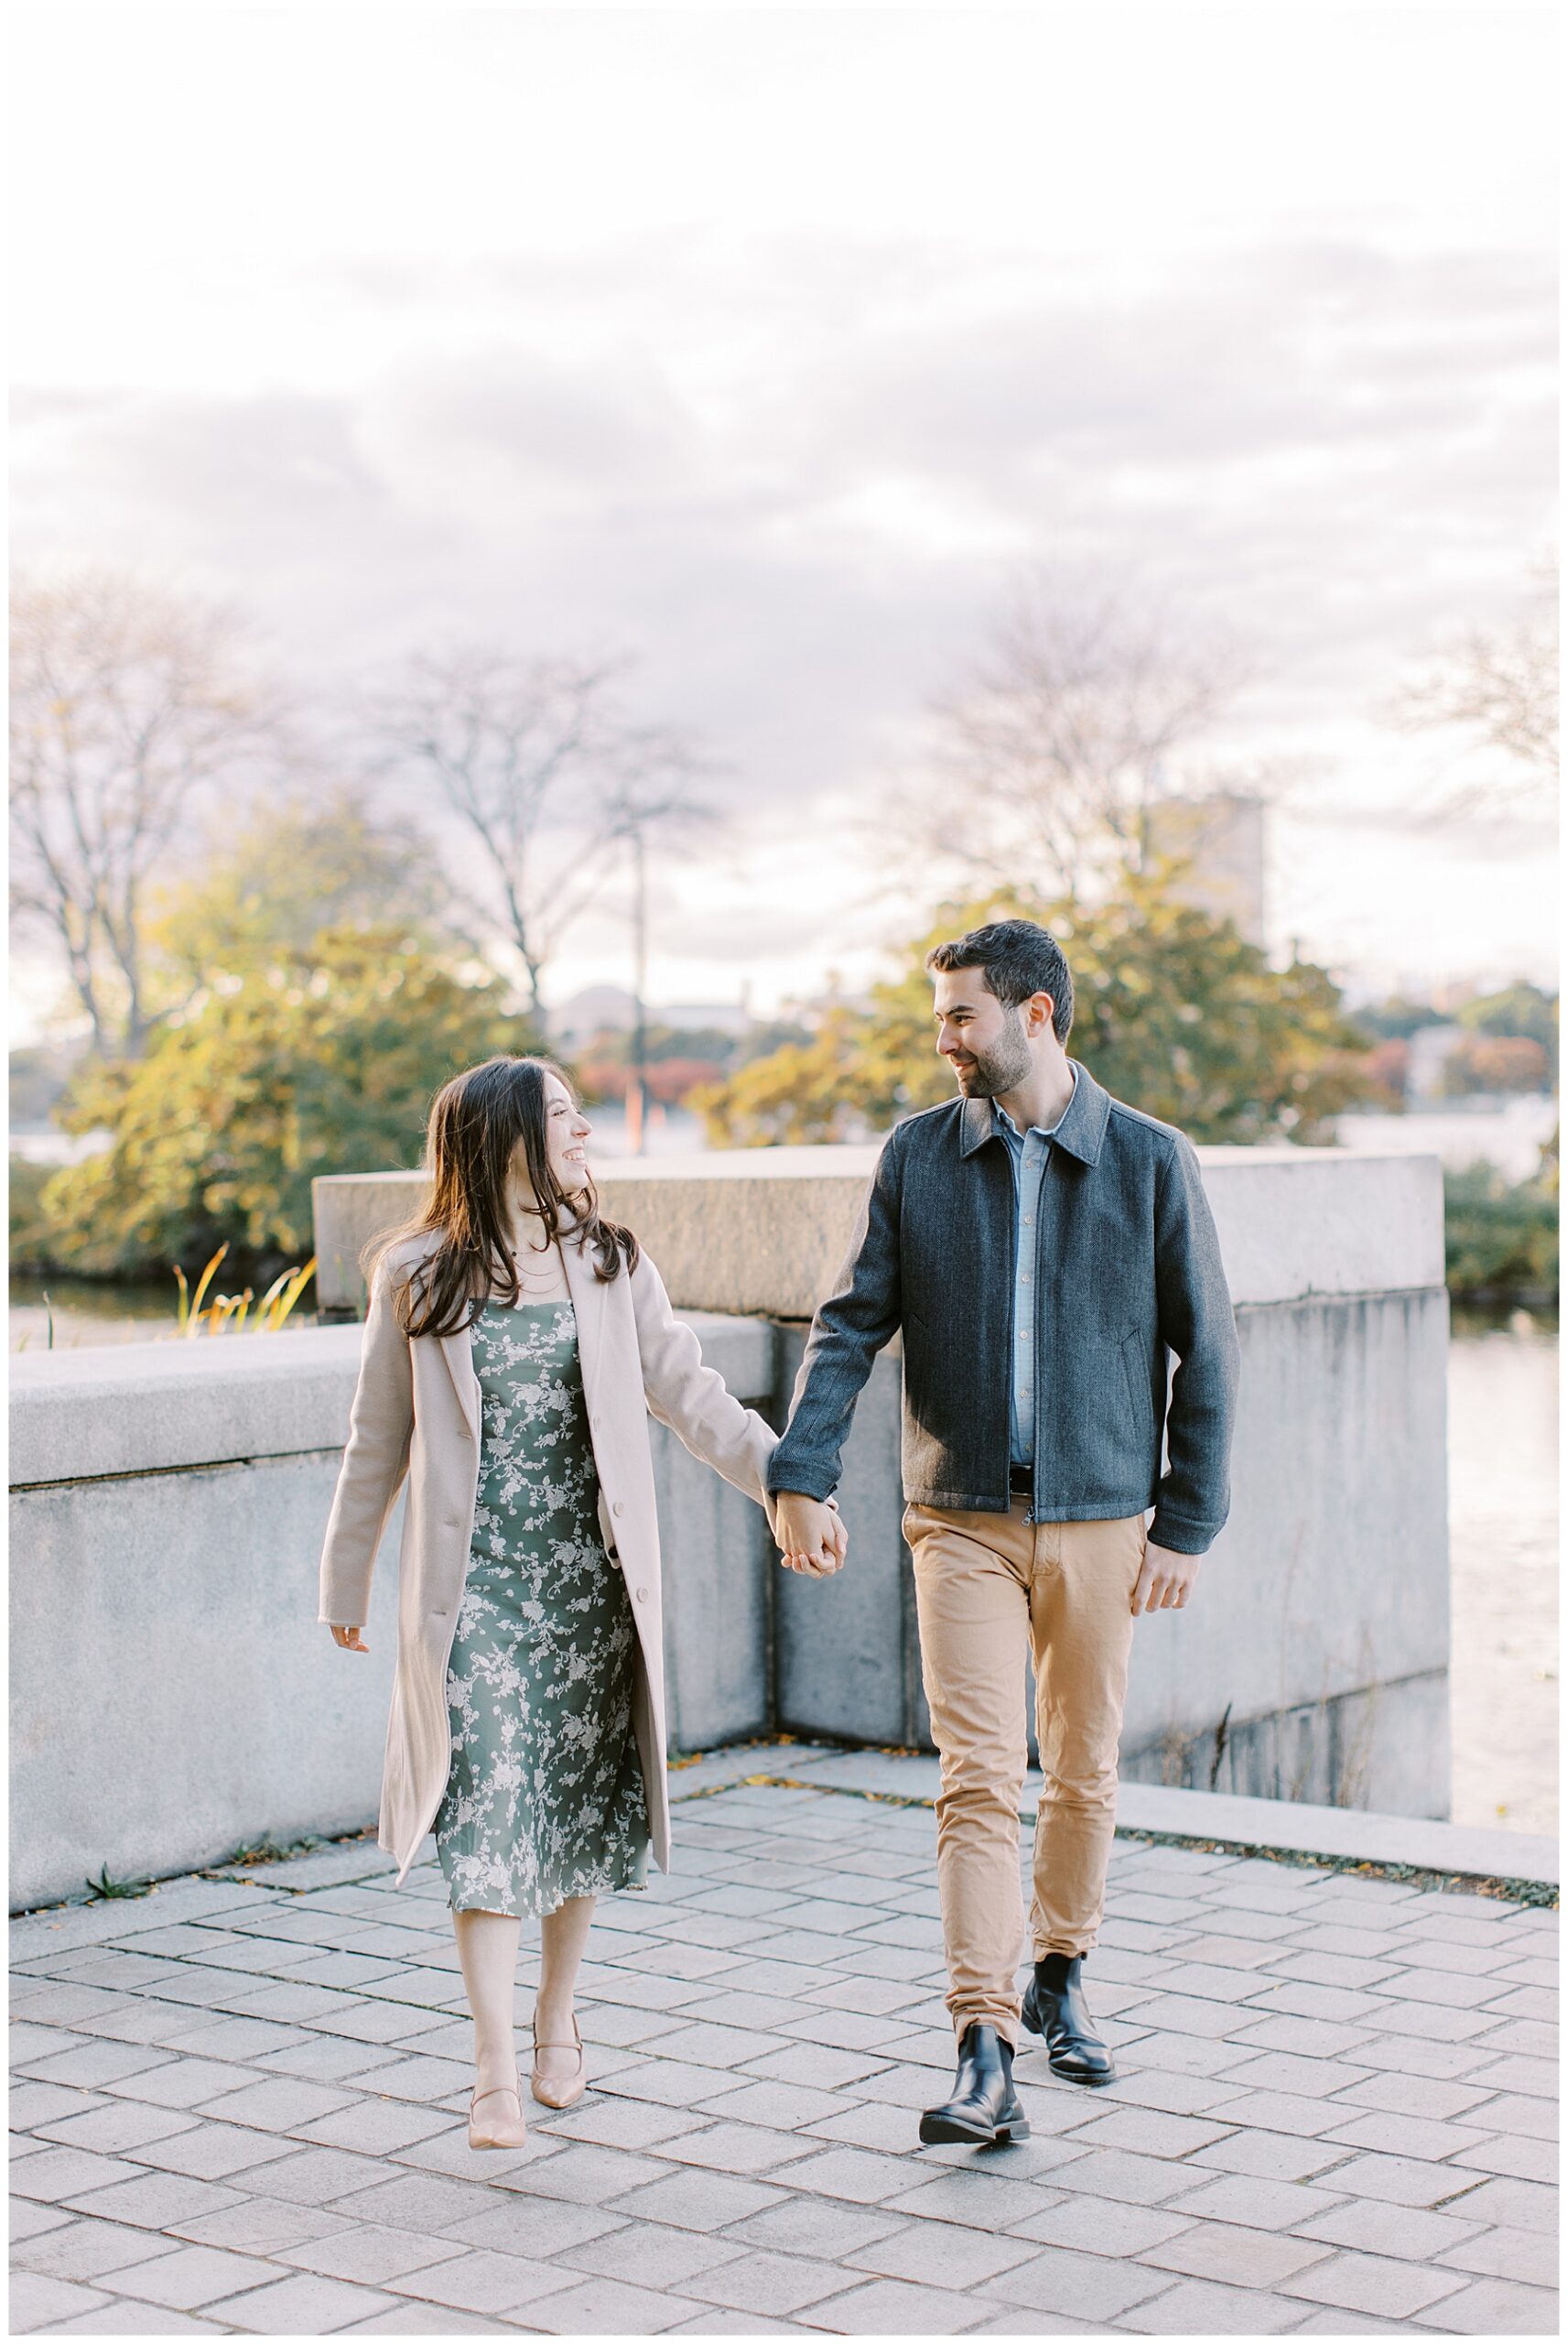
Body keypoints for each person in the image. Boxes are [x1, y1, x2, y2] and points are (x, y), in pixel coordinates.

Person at [770, 918, 1240, 2148]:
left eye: (961, 1016)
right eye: (939, 1018)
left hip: (1102, 1520)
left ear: (1035, 1015)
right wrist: (800, 1471)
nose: (945, 1041)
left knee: (1082, 1767)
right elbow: (848, 1323)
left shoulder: (1148, 1159)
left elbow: (1209, 1349)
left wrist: (1185, 1519)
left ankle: (1061, 1972)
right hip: (959, 1518)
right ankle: (984, 2046)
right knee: (977, 1776)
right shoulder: (918, 1156)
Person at [319, 1056, 840, 2150]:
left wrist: (789, 1483)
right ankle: (493, 2070)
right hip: (473, 1602)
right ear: (502, 1137)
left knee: (574, 1804)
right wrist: (345, 1576)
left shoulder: (609, 1262)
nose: (581, 1134)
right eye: (561, 1116)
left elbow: (694, 1394)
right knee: (487, 1815)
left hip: (590, 1592)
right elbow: (377, 1439)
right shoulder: (415, 1274)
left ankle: (557, 2013)